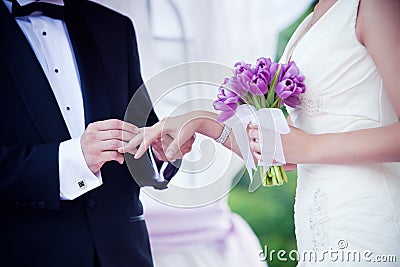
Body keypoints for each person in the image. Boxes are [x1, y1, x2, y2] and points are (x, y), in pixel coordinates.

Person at [122, 0, 400, 265]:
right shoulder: (319, 14)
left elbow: (304, 145)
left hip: (368, 218)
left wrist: (308, 147)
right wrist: (202, 121)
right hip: (320, 225)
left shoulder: (375, 6)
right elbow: (288, 146)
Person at [0, 0, 194, 266]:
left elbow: (144, 131)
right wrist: (74, 160)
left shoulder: (114, 27)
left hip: (125, 254)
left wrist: (160, 154)